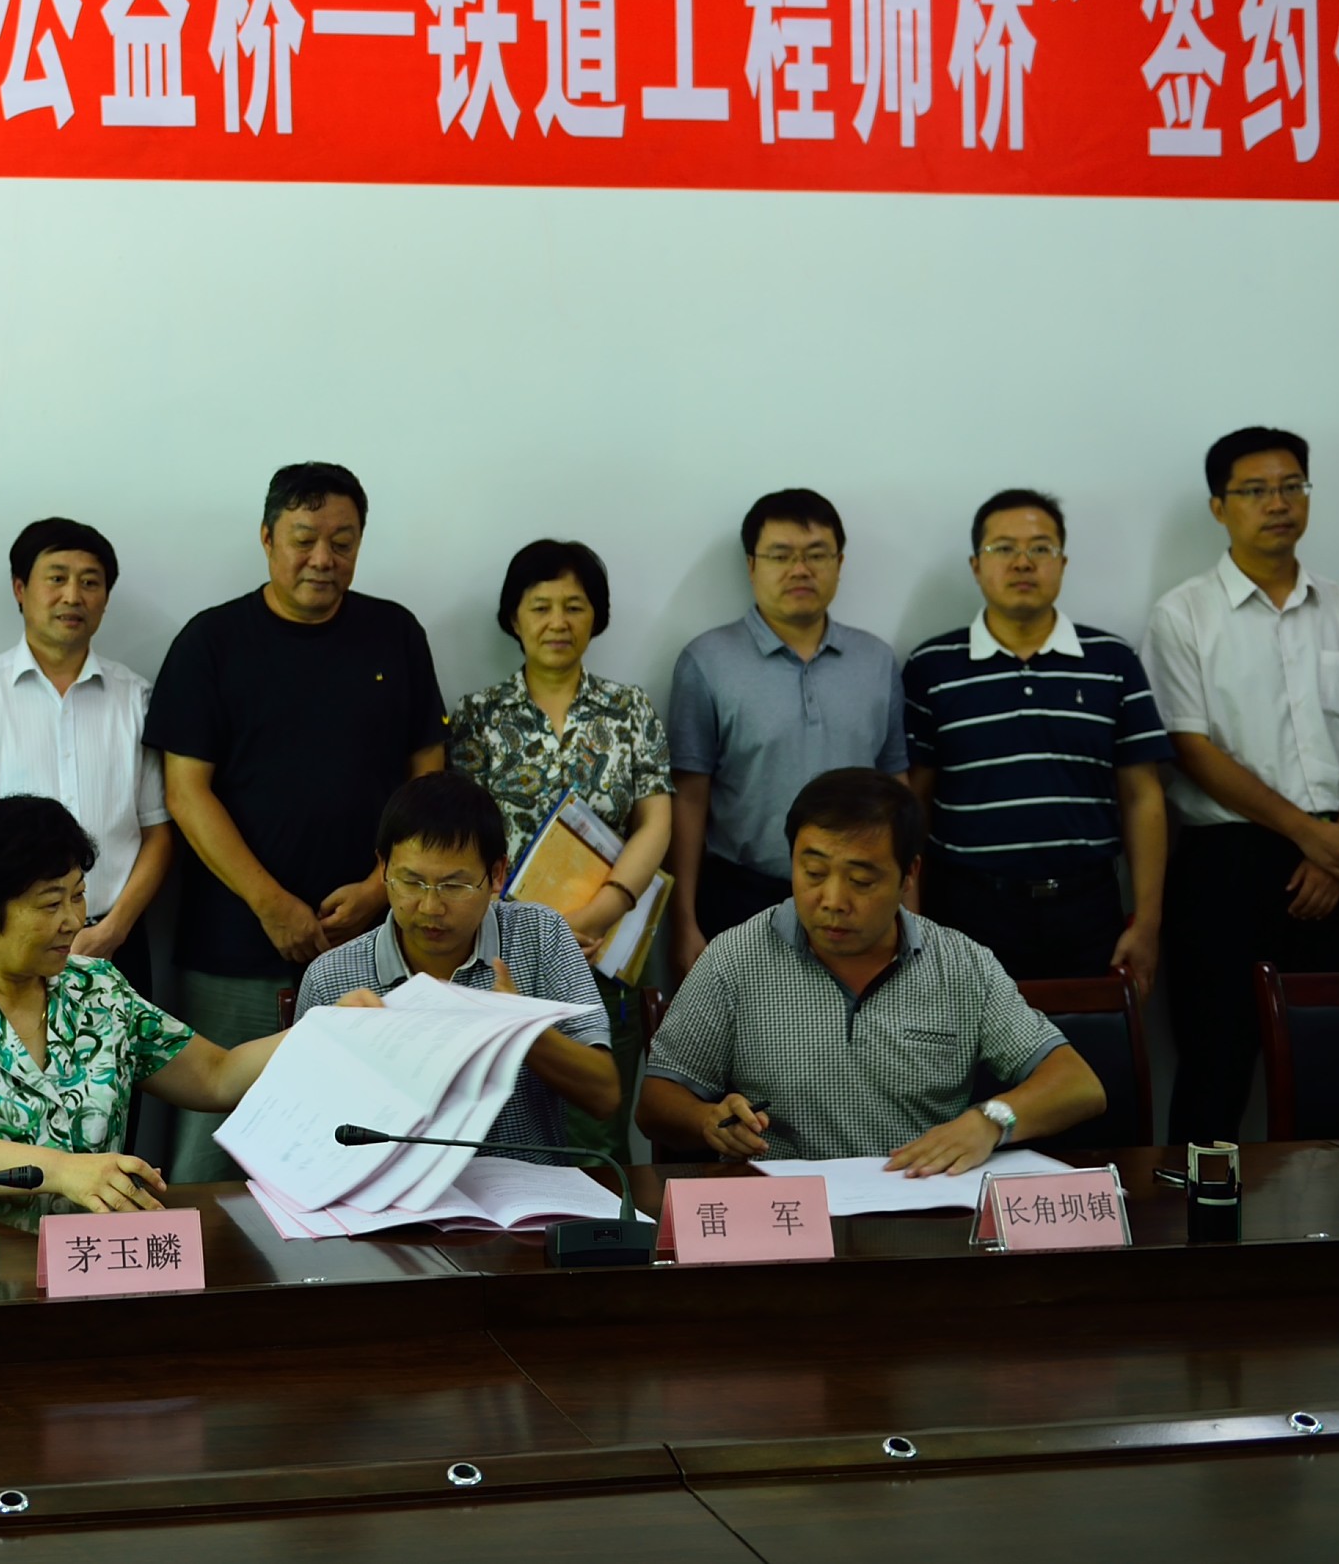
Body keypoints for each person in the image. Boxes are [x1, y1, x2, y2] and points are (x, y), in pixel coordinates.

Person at [144, 462, 448, 1184]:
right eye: (304, 539)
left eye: (342, 542)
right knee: (214, 1145)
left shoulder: (395, 633)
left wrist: (381, 886)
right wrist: (270, 902)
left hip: (376, 941)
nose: (323, 558)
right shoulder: (212, 641)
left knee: (368, 1136)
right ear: (267, 538)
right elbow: (186, 793)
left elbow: (428, 778)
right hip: (234, 946)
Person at [639, 769, 1105, 1170]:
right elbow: (657, 1101)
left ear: (909, 875)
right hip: (785, 1219)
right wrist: (707, 1120)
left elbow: (1078, 1085)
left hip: (921, 1210)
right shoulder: (736, 957)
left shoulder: (961, 965)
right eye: (813, 873)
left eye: (861, 881)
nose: (833, 901)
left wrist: (990, 1121)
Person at [1146, 427, 1339, 1145]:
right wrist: (1308, 835)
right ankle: (1199, 1215)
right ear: (1219, 507)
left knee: (1336, 1061)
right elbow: (1190, 748)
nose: (1278, 503)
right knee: (1215, 1062)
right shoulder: (1182, 614)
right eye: (1255, 491)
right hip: (1227, 865)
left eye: (1292, 487)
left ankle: (1331, 1213)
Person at [0, 796, 285, 1211]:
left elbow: (218, 1075)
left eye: (78, 895)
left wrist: (320, 1027)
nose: (73, 920)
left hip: (93, 1248)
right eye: (51, 904)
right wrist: (60, 1171)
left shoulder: (99, 988)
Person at [444, 539, 669, 1156]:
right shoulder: (478, 716)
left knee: (597, 1124)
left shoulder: (629, 710)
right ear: (513, 618)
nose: (558, 622)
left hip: (606, 947)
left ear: (596, 616)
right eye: (540, 606)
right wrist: (538, 931)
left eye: (574, 606)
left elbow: (656, 822)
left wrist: (597, 914)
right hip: (502, 947)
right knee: (501, 1117)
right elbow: (461, 836)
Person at [901, 489, 1170, 991]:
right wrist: (910, 923)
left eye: (1040, 548)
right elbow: (913, 802)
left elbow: (1143, 796)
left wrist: (1148, 922)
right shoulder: (931, 667)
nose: (1023, 562)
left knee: (1088, 1042)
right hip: (968, 912)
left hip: (1089, 912)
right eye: (1003, 548)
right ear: (976, 565)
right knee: (973, 1043)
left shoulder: (1112, 661)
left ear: (1063, 563)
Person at [298, 771, 624, 1156]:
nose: (431, 907)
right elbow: (302, 1123)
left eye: (454, 886)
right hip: (385, 1188)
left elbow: (604, 1095)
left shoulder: (540, 936)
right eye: (411, 882)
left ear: (497, 874)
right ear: (383, 869)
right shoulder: (332, 977)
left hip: (523, 1187)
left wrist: (524, 1030)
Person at [0, 517, 173, 990]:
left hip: (115, 944)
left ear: (105, 598)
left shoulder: (137, 700)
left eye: (89, 582)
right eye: (56, 578)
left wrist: (113, 930)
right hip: (6, 954)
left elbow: (157, 833)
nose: (73, 596)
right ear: (20, 588)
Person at [665, 489, 909, 980]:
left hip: (861, 896)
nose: (800, 569)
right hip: (742, 896)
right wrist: (683, 919)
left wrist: (910, 915)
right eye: (781, 555)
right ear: (751, 565)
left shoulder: (876, 661)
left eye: (816, 555)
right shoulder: (707, 661)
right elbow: (689, 798)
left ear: (839, 563)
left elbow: (897, 789)